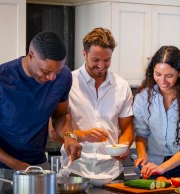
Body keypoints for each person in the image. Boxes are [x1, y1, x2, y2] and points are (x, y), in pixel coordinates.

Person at [0, 32, 82, 193]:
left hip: (38, 166)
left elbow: (61, 115)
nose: (51, 77)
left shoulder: (63, 77)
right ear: (30, 56)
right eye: (45, 71)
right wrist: (15, 164)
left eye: (56, 72)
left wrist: (68, 137)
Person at [49, 27, 134, 180]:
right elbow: (53, 133)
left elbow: (127, 127)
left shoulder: (122, 86)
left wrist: (124, 146)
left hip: (113, 172)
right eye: (96, 60)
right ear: (84, 54)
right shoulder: (67, 83)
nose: (101, 66)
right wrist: (85, 135)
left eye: (107, 60)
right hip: (75, 170)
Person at [133, 45, 180, 179]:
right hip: (154, 163)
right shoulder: (143, 97)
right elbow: (141, 133)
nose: (162, 81)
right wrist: (142, 154)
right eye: (158, 74)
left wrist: (162, 168)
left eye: (169, 76)